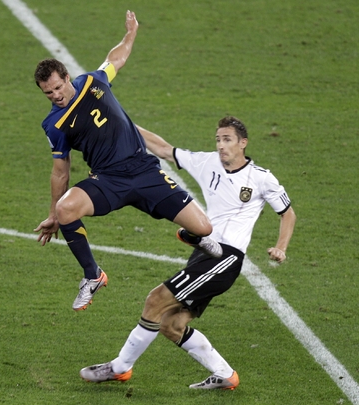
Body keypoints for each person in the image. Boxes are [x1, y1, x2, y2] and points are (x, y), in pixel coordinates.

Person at [80, 116, 296, 389]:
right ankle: (226, 375)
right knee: (171, 325)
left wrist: (280, 247)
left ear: (243, 143)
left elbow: (287, 213)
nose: (221, 145)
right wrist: (124, 123)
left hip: (226, 258)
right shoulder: (207, 162)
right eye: (218, 139)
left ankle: (120, 368)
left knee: (156, 299)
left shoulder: (261, 177)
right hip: (203, 253)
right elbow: (164, 150)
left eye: (227, 140)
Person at [33, 11, 222, 312]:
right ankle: (92, 275)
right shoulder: (53, 125)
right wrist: (53, 214)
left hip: (145, 171)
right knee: (65, 209)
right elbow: (60, 171)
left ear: (67, 77)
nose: (56, 95)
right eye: (48, 93)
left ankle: (191, 236)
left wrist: (130, 33)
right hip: (108, 180)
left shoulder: (93, 81)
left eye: (58, 87)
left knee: (205, 228)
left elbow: (116, 59)